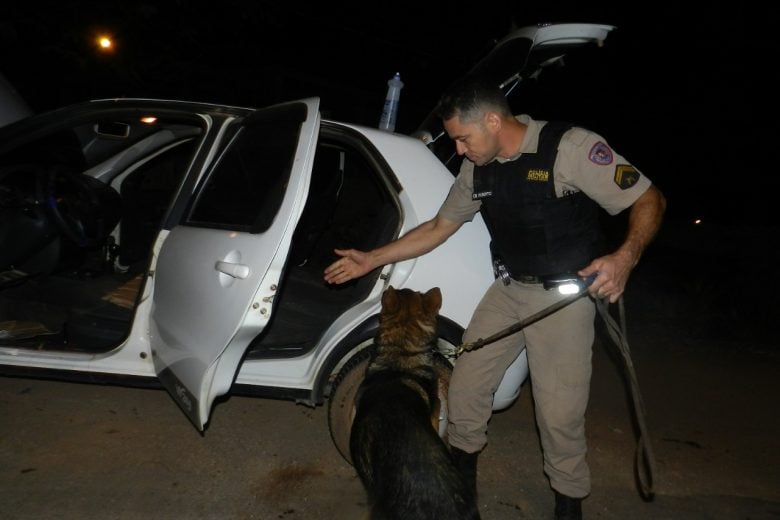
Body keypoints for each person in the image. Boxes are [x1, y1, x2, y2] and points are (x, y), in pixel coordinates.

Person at [324, 74, 666, 520]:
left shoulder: (570, 148)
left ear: (491, 120)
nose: (460, 150)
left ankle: (568, 504)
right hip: (508, 290)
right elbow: (437, 228)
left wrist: (625, 258)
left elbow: (648, 199)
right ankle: (463, 496)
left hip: (563, 298)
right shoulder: (477, 169)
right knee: (466, 389)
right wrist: (372, 258)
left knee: (558, 413)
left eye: (463, 139)